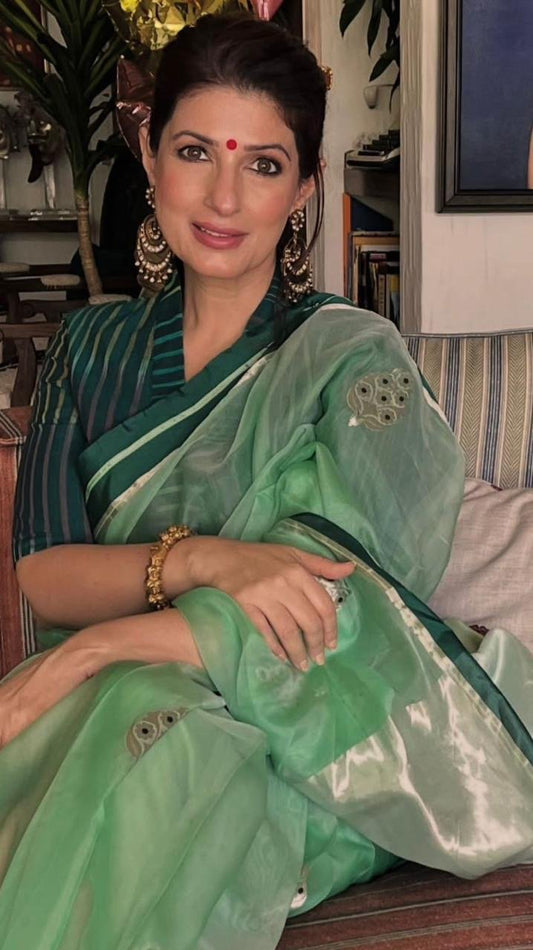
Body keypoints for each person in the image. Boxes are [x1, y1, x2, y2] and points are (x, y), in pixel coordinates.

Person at [0, 13, 532, 950]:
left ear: (304, 189)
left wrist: (91, 652)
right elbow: (44, 573)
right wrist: (205, 559)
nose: (222, 194)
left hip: (309, 730)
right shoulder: (87, 348)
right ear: (151, 157)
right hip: (102, 710)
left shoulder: (348, 356)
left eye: (264, 164)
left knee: (163, 733)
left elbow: (334, 601)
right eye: (195, 150)